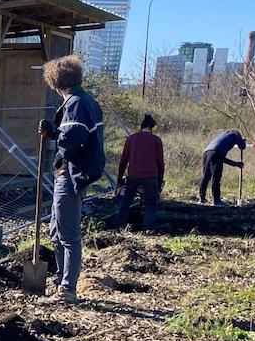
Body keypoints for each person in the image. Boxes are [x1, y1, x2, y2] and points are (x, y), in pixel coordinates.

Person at [38, 55, 105, 304]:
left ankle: (68, 290)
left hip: (71, 173)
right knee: (57, 229)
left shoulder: (76, 103)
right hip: (74, 172)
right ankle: (60, 281)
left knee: (67, 233)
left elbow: (72, 139)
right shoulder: (86, 100)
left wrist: (54, 133)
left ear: (55, 82)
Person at [114, 113, 165, 231]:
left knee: (126, 201)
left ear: (140, 127)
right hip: (151, 177)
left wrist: (120, 179)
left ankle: (119, 224)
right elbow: (160, 163)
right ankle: (148, 229)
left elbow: (123, 160)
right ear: (153, 128)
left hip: (133, 175)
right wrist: (159, 181)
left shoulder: (131, 139)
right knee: (150, 205)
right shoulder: (156, 140)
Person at [198, 128, 246, 206]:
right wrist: (243, 141)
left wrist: (236, 164)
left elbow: (221, 159)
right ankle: (217, 201)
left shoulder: (225, 134)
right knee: (216, 177)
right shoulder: (236, 134)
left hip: (206, 152)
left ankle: (201, 199)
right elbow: (242, 146)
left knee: (206, 176)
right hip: (216, 152)